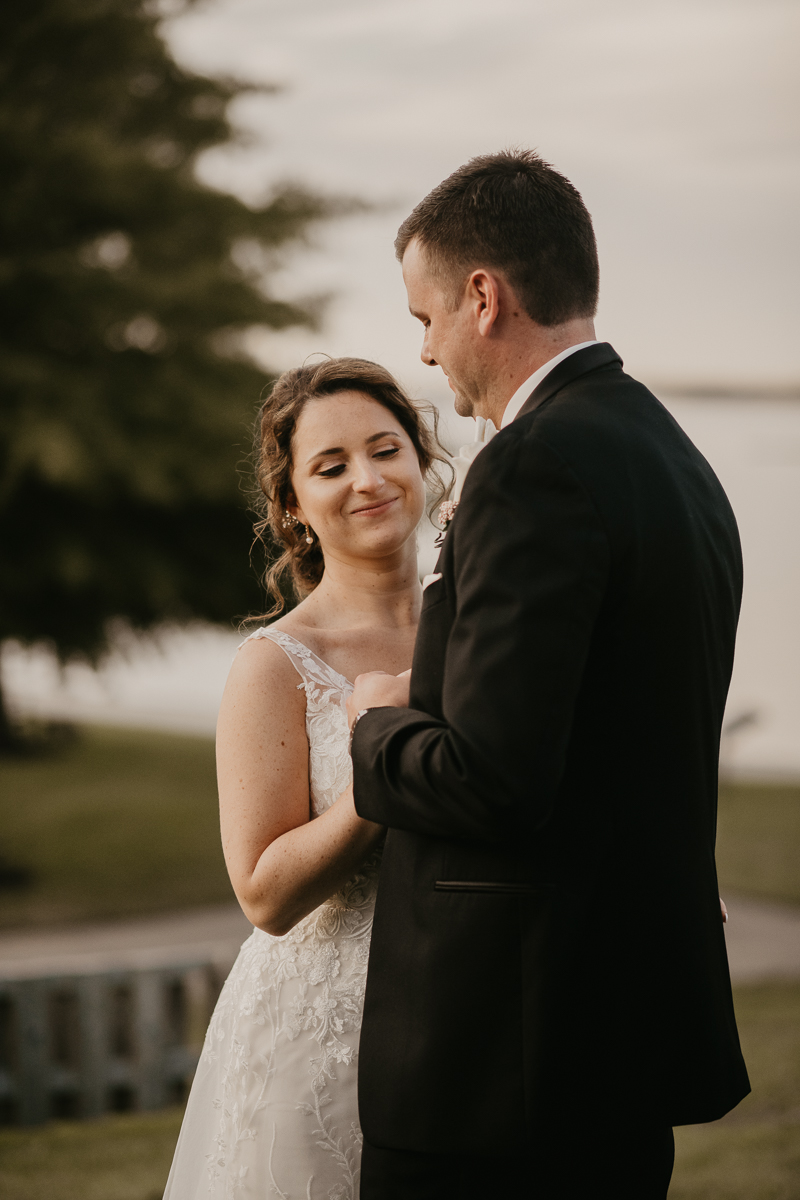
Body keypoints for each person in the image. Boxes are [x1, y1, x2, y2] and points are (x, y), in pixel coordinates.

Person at [347, 150, 751, 1199]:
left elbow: (492, 776)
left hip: (501, 1062)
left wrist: (377, 723)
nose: (424, 352)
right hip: (615, 1039)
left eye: (422, 317)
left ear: (482, 297)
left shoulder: (532, 466)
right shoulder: (674, 460)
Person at [163, 357, 446, 1200]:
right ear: (293, 505)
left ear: (420, 460)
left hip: (466, 1017)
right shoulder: (275, 666)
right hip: (323, 1035)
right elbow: (263, 895)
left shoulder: (478, 630)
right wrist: (380, 761)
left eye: (386, 449)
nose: (368, 480)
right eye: (330, 466)